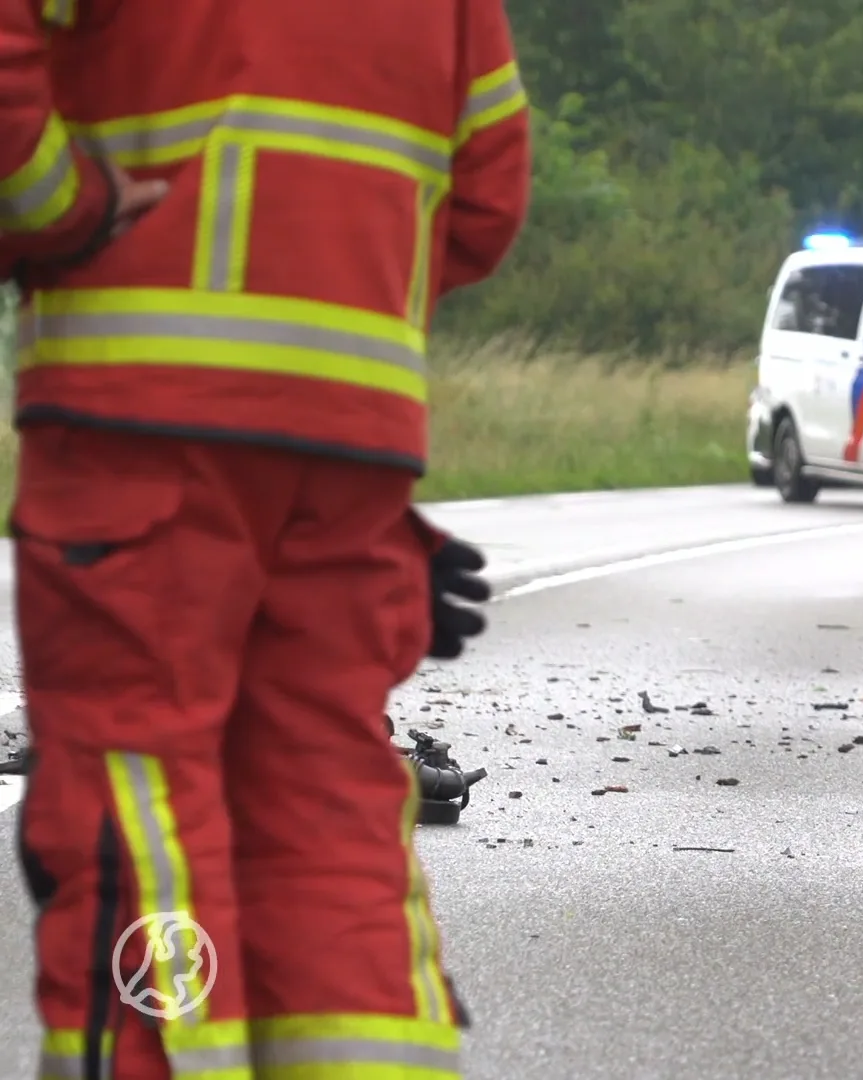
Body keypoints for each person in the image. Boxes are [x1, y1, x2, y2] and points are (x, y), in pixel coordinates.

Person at [1, 1, 530, 1076]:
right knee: (328, 800)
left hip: (138, 411)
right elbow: (487, 194)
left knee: (134, 788)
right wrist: (326, 284)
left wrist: (67, 214)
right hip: (348, 441)